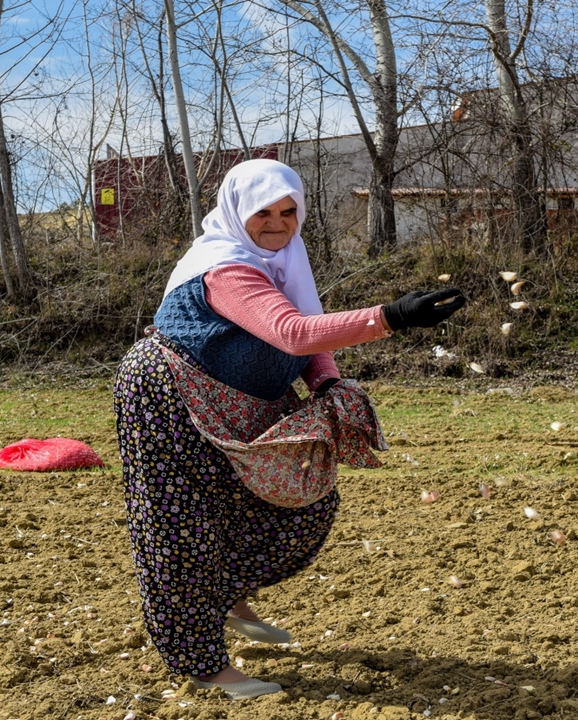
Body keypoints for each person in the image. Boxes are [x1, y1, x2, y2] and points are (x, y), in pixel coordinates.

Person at [113, 159, 465, 700]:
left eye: (288, 211)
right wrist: (391, 317)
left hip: (239, 396)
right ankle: (201, 661)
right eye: (263, 212)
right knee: (181, 524)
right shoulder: (227, 267)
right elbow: (293, 332)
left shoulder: (281, 262)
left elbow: (309, 335)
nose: (277, 223)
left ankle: (225, 594)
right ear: (236, 212)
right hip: (169, 395)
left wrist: (326, 384)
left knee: (297, 500)